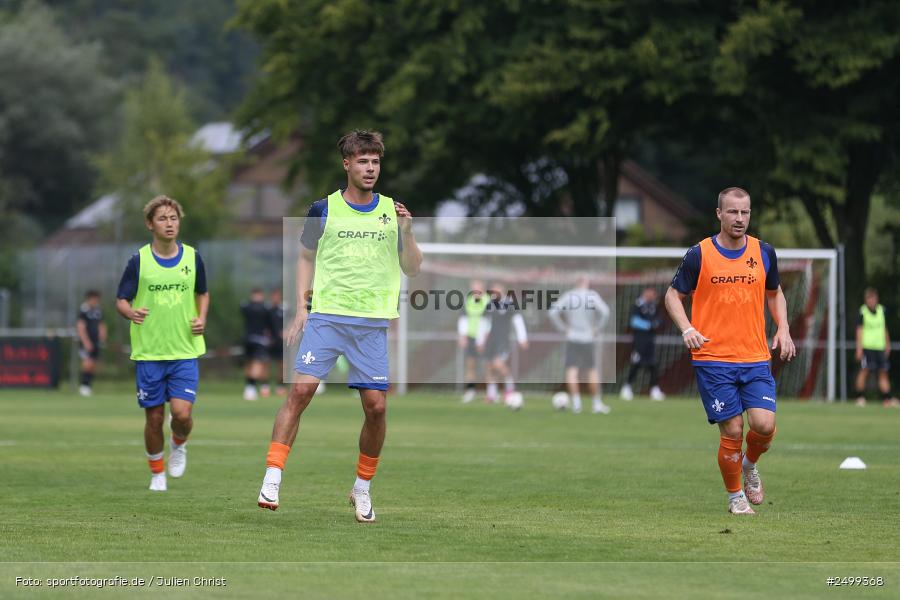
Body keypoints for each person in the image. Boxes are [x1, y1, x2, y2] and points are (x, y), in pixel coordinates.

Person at [257, 130, 422, 523]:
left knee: (376, 408)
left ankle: (361, 489)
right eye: (363, 161)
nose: (370, 168)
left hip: (370, 324)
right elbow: (304, 258)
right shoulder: (323, 210)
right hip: (328, 317)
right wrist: (302, 308)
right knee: (300, 393)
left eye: (375, 161)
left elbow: (412, 268)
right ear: (346, 164)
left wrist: (408, 232)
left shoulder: (391, 212)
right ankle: (272, 476)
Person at [664, 187, 795, 516]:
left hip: (754, 356)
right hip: (713, 359)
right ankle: (735, 496)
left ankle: (749, 465)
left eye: (745, 212)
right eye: (733, 212)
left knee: (764, 425)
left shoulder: (764, 252)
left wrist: (783, 328)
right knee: (734, 429)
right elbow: (672, 296)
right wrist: (687, 328)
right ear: (719, 214)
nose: (740, 219)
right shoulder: (699, 254)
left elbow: (775, 293)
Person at [115, 195, 208, 492]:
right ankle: (157, 473)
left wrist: (201, 317)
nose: (169, 224)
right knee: (154, 418)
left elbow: (202, 292)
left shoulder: (193, 257)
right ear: (150, 224)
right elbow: (121, 300)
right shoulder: (138, 260)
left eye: (173, 218)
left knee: (182, 415)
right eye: (162, 219)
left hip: (185, 350)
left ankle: (179, 444)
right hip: (150, 352)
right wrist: (131, 312)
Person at [548, 275, 611, 414]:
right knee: (592, 370)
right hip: (588, 337)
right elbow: (605, 312)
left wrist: (563, 328)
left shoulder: (568, 296)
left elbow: (552, 312)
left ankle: (577, 405)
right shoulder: (592, 296)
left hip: (572, 337)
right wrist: (598, 328)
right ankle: (596, 404)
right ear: (586, 283)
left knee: (572, 371)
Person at [480, 283, 528, 405]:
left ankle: (510, 390)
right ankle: (492, 395)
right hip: (491, 341)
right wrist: (480, 341)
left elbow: (518, 321)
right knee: (489, 366)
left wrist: (522, 338)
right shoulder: (489, 305)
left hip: (503, 341)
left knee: (498, 364)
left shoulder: (509, 304)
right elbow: (484, 323)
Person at [854, 287, 899, 407]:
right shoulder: (862, 312)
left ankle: (887, 398)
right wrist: (859, 349)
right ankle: (860, 397)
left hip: (880, 347)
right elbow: (859, 331)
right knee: (865, 371)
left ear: (876, 299)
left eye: (873, 298)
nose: (871, 301)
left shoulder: (881, 310)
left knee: (883, 372)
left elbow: (884, 329)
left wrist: (887, 344)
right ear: (866, 300)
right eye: (869, 298)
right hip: (867, 347)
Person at [620, 287, 665, 402]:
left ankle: (654, 389)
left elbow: (659, 320)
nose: (654, 297)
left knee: (653, 365)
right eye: (652, 294)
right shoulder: (637, 305)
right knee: (636, 363)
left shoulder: (653, 306)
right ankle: (627, 387)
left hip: (650, 341)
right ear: (646, 293)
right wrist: (649, 325)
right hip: (639, 341)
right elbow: (634, 321)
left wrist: (655, 323)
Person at [458, 279, 488, 403]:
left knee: (489, 365)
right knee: (470, 364)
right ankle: (470, 391)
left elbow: (488, 322)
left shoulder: (488, 301)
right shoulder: (468, 300)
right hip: (471, 336)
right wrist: (462, 336)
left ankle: (491, 393)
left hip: (486, 338)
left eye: (478, 287)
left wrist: (483, 340)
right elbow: (463, 318)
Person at [241, 288, 271, 401]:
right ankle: (250, 386)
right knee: (250, 363)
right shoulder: (251, 307)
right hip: (249, 339)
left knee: (257, 363)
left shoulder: (263, 308)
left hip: (260, 340)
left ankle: (251, 387)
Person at [76, 290, 107, 397]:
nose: (96, 301)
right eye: (94, 299)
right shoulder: (83, 310)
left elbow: (101, 325)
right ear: (89, 299)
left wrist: (102, 337)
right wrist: (86, 342)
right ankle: (84, 385)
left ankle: (88, 386)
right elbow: (81, 327)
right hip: (86, 342)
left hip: (96, 342)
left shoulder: (98, 311)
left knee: (93, 364)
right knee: (87, 363)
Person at [267, 287, 288, 397]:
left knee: (282, 366)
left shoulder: (284, 310)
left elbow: (292, 319)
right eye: (273, 296)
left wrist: (287, 331)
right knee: (267, 365)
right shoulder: (267, 310)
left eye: (277, 296)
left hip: (281, 342)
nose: (275, 298)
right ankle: (265, 386)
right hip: (270, 342)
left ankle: (280, 386)